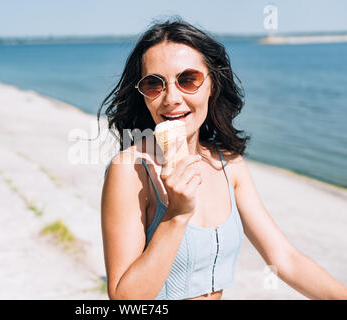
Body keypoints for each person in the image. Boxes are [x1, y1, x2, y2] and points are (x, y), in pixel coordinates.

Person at [98, 18, 347, 300]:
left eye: (188, 79)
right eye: (155, 84)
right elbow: (124, 299)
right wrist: (176, 214)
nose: (171, 98)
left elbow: (285, 260)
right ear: (143, 94)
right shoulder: (130, 169)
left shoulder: (229, 163)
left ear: (212, 84)